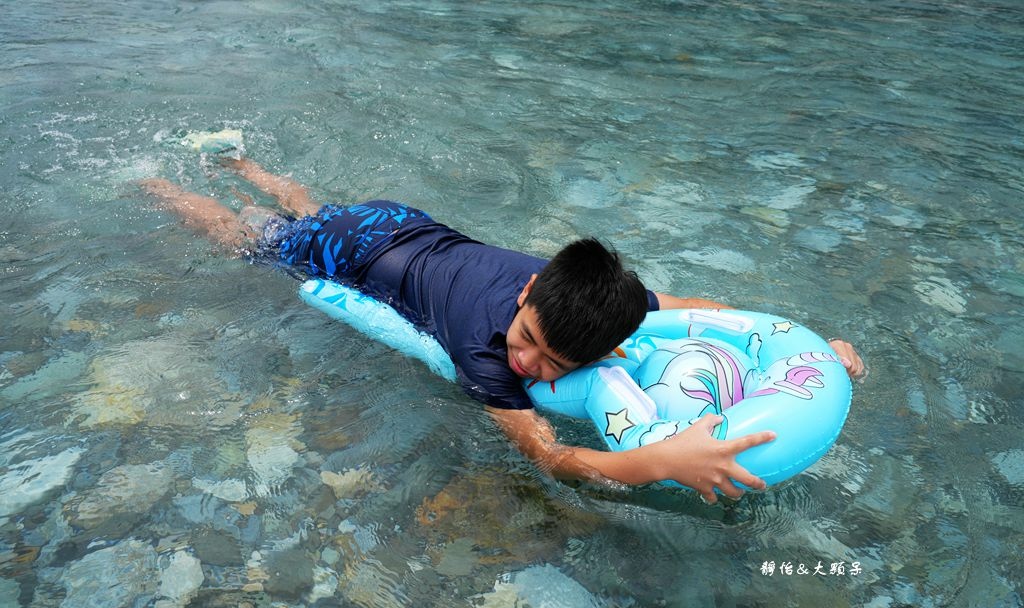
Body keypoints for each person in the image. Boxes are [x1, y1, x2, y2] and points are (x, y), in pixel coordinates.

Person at [141, 159, 864, 503]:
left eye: (551, 363)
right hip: (355, 254)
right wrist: (662, 460)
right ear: (526, 293)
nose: (528, 361)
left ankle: (250, 163)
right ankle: (161, 185)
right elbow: (548, 457)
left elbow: (700, 308)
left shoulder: (593, 296)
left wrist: (807, 348)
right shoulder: (487, 354)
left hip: (400, 219)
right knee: (254, 240)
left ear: (611, 346)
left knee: (317, 206)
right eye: (529, 337)